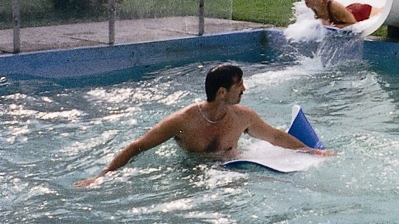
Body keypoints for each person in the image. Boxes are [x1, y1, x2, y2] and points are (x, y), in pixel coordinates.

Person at [75, 65, 330, 187]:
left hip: (234, 170)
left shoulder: (243, 117)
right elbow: (136, 147)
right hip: (192, 175)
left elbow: (275, 137)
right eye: (239, 84)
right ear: (222, 92)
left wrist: (312, 151)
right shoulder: (182, 121)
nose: (244, 89)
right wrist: (101, 177)